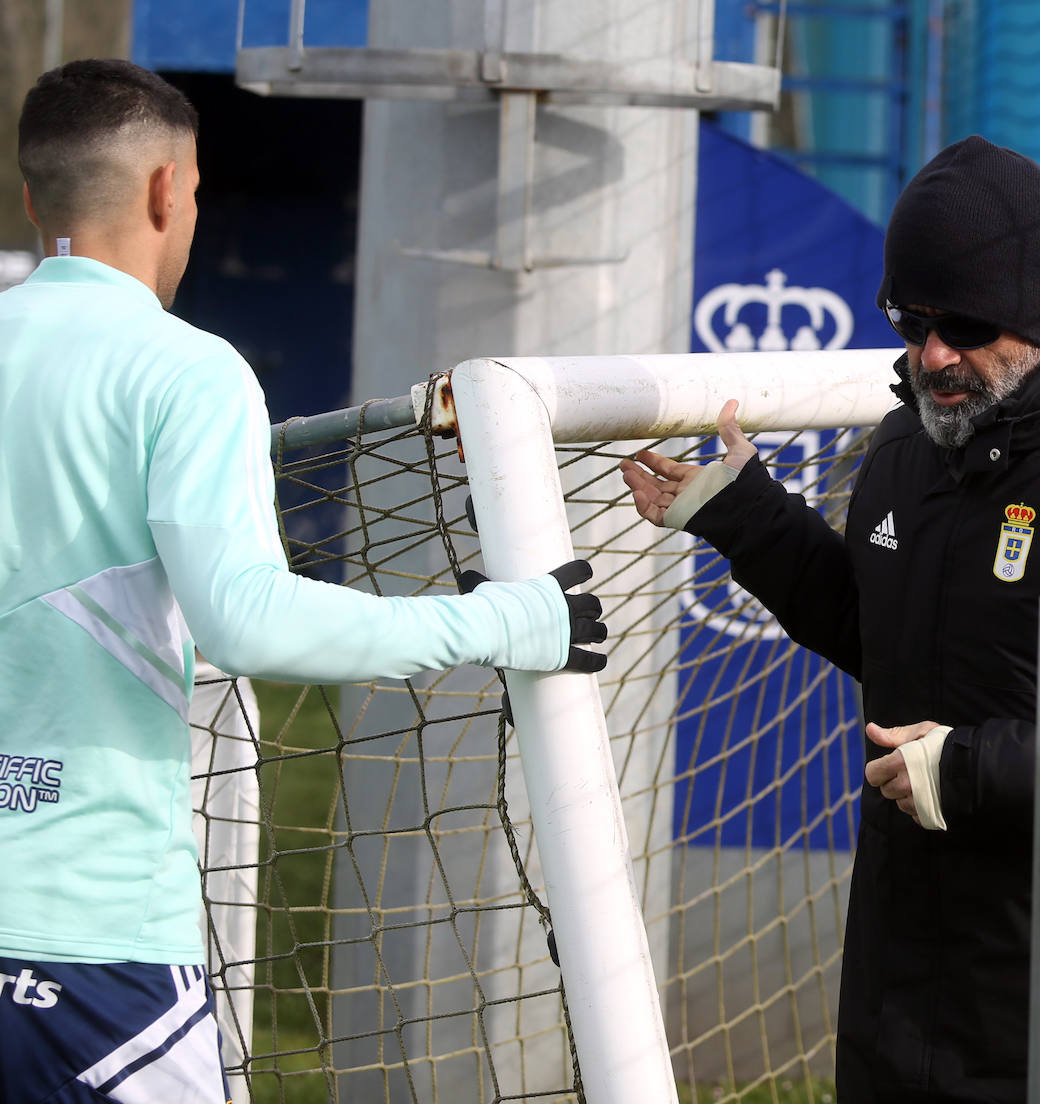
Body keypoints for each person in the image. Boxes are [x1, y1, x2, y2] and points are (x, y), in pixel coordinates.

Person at [621, 135, 1040, 1103]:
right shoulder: (902, 453)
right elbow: (878, 629)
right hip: (900, 1016)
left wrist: (972, 770)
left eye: (963, 324)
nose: (932, 355)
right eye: (910, 319)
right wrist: (741, 513)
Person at [0, 59, 607, 1104]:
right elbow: (249, 620)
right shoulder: (184, 368)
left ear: (30, 201)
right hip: (90, 944)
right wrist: (501, 619)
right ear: (165, 191)